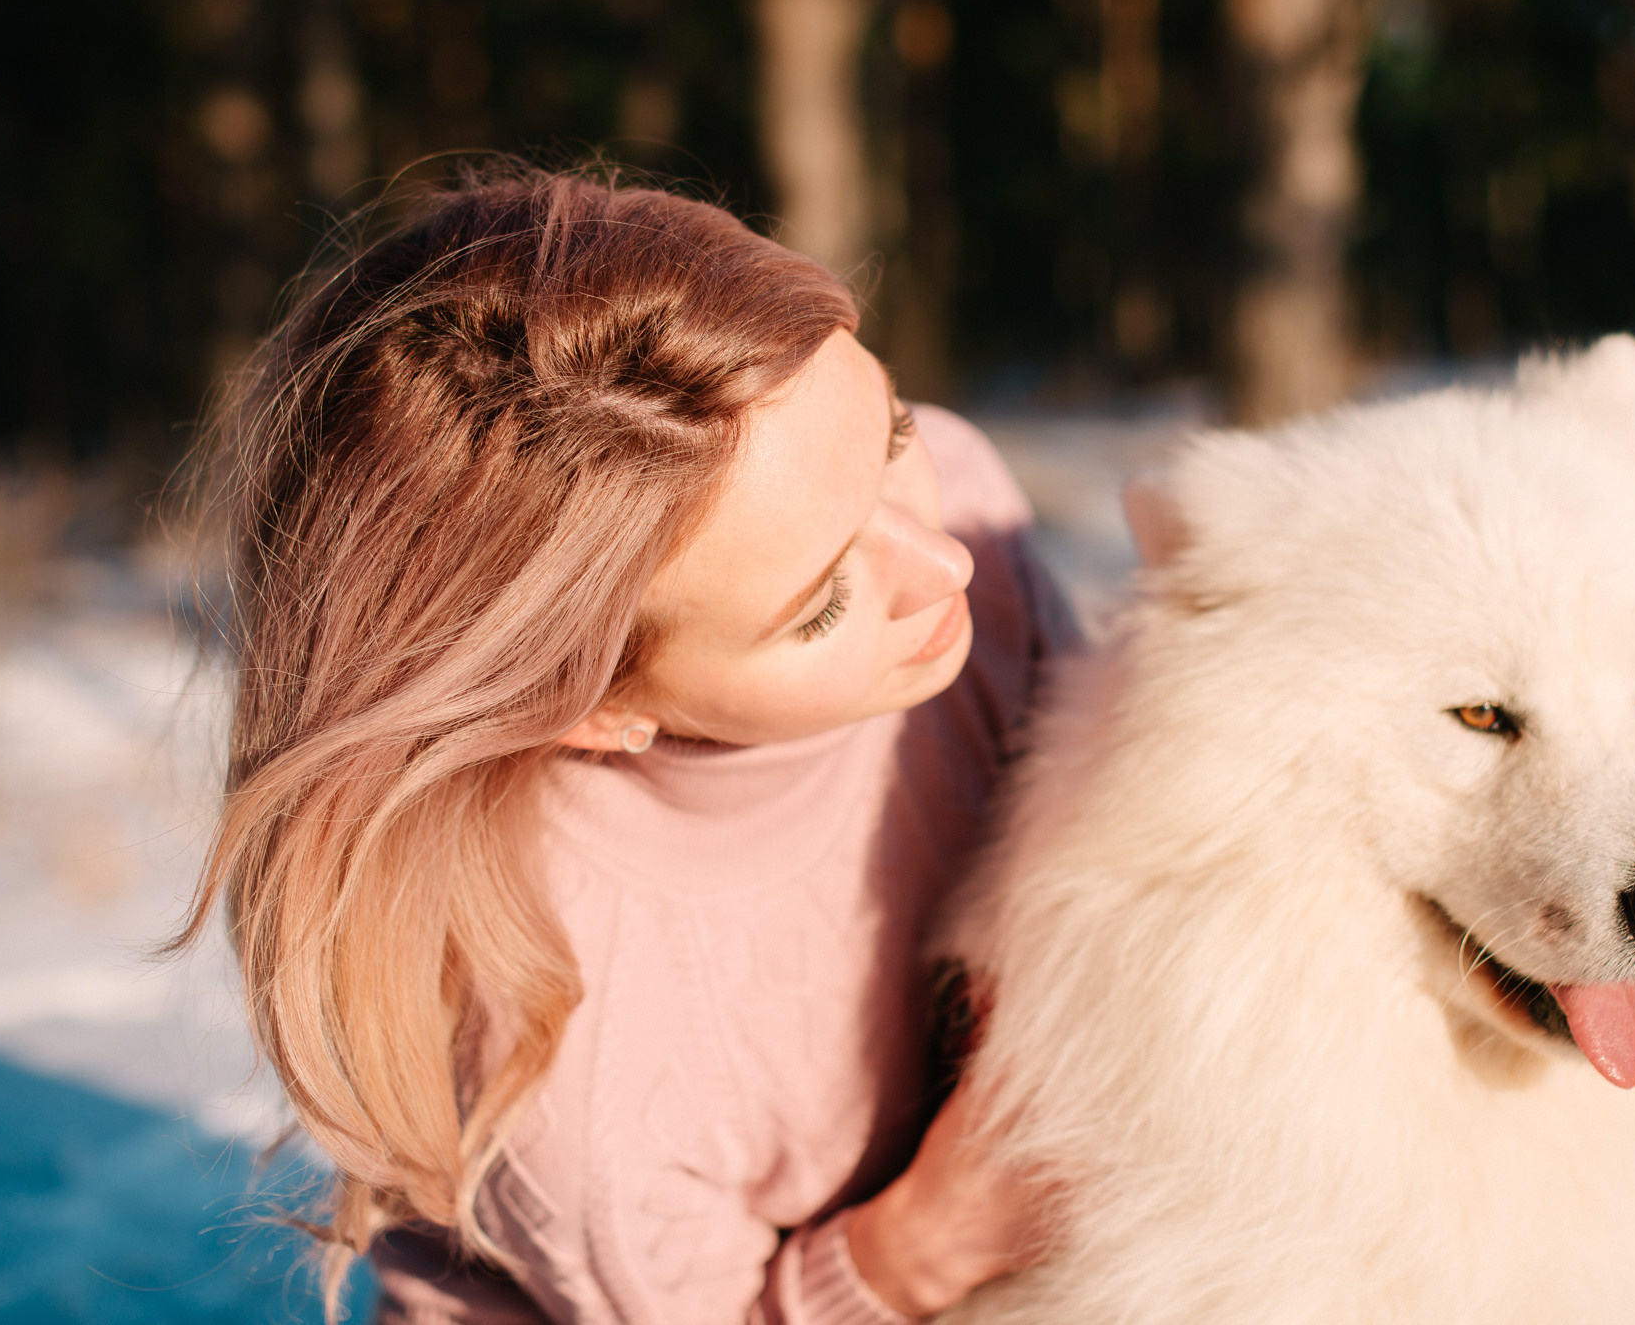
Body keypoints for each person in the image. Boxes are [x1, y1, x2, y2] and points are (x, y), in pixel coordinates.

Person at [174, 165, 1079, 1324]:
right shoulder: (576, 1073)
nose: (944, 561)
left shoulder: (955, 509)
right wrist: (913, 1250)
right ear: (589, 708)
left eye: (891, 432)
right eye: (817, 606)